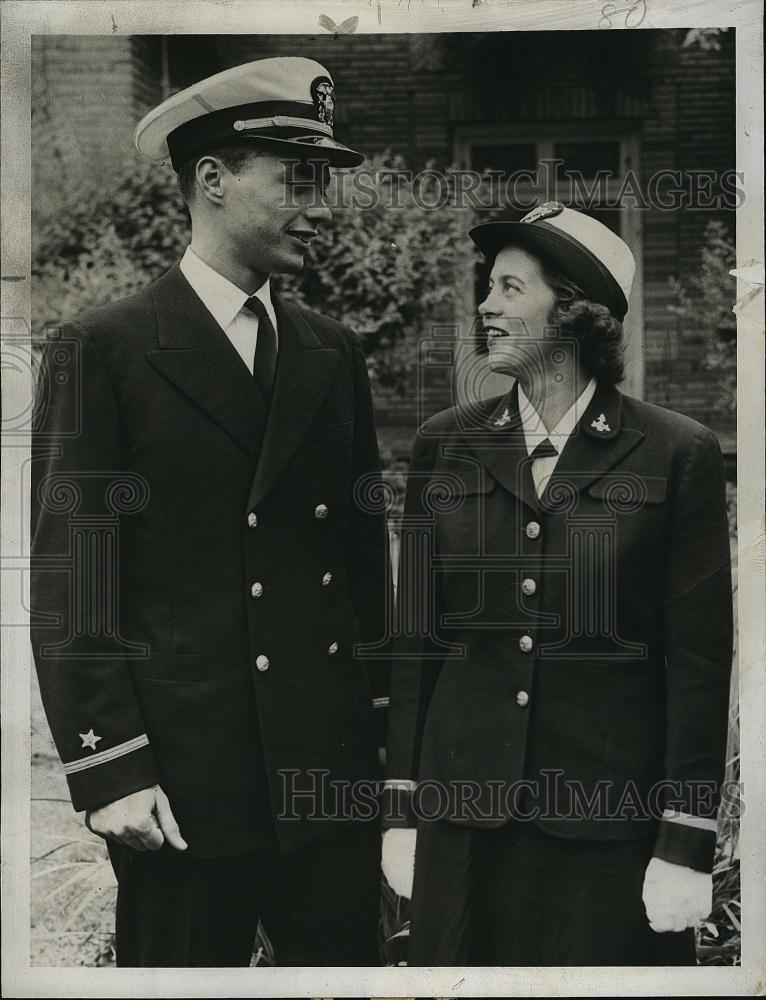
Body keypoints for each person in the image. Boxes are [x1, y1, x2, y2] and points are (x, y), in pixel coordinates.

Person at [31, 57, 390, 968]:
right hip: (184, 790)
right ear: (212, 181)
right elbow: (75, 576)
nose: (316, 205)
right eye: (294, 180)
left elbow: (361, 568)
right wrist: (109, 767)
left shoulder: (330, 352)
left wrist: (388, 746)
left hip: (328, 778)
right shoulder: (102, 350)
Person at [383, 202, 733, 966]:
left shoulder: (675, 454)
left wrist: (686, 837)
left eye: (510, 287)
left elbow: (698, 663)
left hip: (606, 833)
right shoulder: (445, 445)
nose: (486, 304)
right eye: (488, 285)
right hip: (464, 826)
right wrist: (402, 810)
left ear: (574, 312)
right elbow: (416, 641)